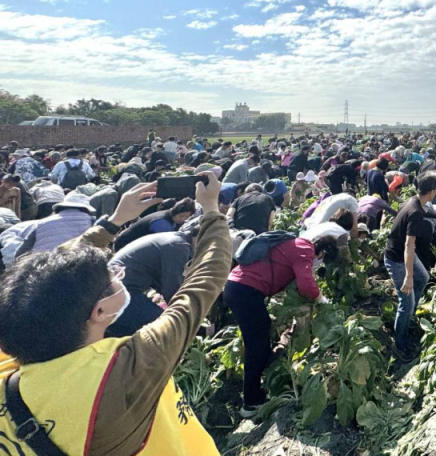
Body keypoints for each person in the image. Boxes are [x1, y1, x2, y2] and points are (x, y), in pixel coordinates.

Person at [0, 177, 229, 455]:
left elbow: (46, 277)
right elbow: (203, 282)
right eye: (114, 275)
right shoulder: (128, 370)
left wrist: (116, 219)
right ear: (99, 311)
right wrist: (211, 210)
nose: (118, 275)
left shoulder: (11, 353)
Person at [224, 223, 336, 416]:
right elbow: (305, 284)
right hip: (245, 290)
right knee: (256, 345)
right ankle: (251, 402)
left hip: (238, 286)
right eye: (321, 259)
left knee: (261, 335)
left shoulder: (293, 244)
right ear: (322, 252)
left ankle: (258, 388)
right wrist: (321, 299)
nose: (318, 263)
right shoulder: (304, 249)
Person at [383, 172, 436, 360]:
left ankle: (408, 318)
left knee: (423, 278)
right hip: (397, 258)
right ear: (432, 192)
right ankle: (400, 341)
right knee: (406, 300)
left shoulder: (414, 201)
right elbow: (409, 245)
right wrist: (408, 275)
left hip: (404, 254)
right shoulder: (415, 212)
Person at [107, 228, 195, 336]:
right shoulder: (179, 246)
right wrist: (187, 316)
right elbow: (172, 288)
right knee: (165, 326)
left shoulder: (174, 239)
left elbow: (160, 282)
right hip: (120, 290)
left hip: (115, 287)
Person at [113, 197, 195, 251]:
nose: (184, 219)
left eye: (187, 217)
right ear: (176, 212)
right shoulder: (162, 223)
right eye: (182, 216)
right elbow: (163, 247)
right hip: (124, 247)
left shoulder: (169, 217)